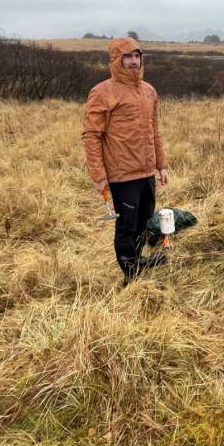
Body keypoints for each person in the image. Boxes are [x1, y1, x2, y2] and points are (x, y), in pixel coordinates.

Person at [83, 37, 170, 283]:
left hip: (146, 172)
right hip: (122, 175)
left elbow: (155, 130)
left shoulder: (149, 91)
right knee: (126, 227)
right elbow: (92, 135)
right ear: (116, 60)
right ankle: (130, 275)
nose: (134, 61)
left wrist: (161, 165)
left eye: (137, 56)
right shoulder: (102, 92)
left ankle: (137, 259)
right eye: (127, 56)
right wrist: (99, 176)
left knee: (144, 221)